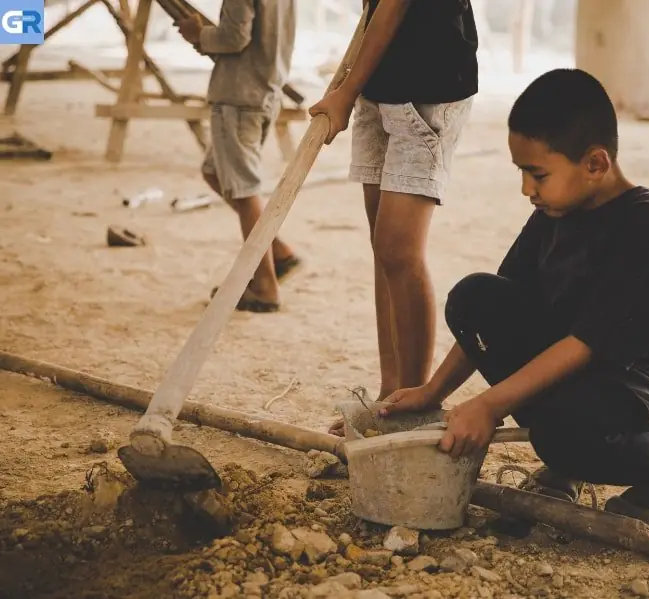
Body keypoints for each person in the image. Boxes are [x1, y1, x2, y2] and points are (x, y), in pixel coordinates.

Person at [380, 69, 649, 531]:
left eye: (537, 173)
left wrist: (489, 405)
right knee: (473, 298)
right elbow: (491, 318)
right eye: (522, 172)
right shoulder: (555, 211)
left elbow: (588, 342)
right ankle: (567, 457)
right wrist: (433, 392)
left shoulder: (648, 222)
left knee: (561, 433)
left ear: (595, 164)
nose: (526, 189)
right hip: (585, 370)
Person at [309, 0, 478, 434]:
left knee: (398, 250)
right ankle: (391, 396)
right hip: (379, 80)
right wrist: (354, 87)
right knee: (383, 249)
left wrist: (344, 94)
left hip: (428, 86)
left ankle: (413, 401)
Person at [177, 0, 302, 313]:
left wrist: (199, 34)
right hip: (262, 91)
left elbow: (234, 38)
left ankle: (264, 286)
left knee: (244, 192)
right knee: (214, 173)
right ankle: (277, 251)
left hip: (238, 96)